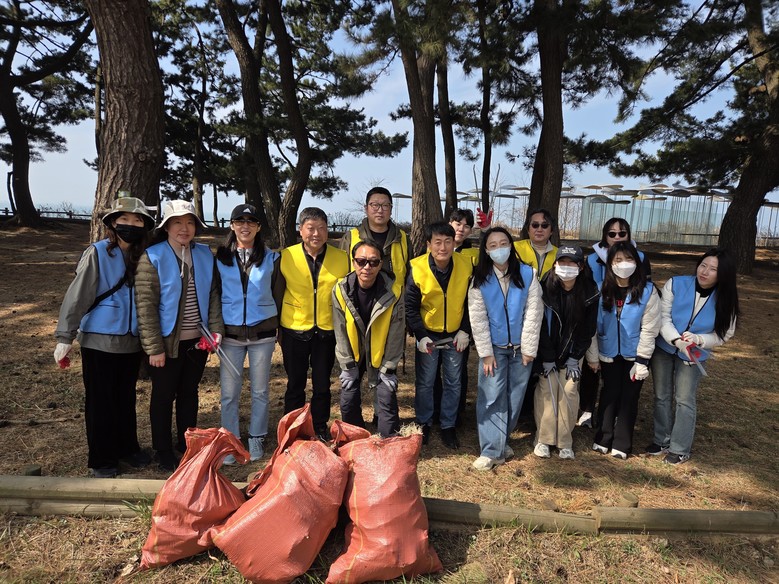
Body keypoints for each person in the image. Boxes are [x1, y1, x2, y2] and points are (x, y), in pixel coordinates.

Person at [54, 194, 155, 478]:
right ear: (112, 222)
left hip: (130, 341)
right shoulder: (98, 253)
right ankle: (102, 458)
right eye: (124, 219)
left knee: (125, 398)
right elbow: (78, 296)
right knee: (101, 401)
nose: (130, 225)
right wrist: (65, 335)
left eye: (137, 220)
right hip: (99, 339)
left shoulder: (143, 256)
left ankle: (127, 447)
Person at [135, 200, 223, 471]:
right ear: (167, 227)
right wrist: (153, 347)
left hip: (197, 340)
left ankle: (187, 444)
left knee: (189, 392)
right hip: (166, 342)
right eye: (177, 222)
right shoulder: (153, 256)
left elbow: (213, 295)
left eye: (189, 222)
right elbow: (146, 306)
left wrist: (215, 329)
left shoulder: (206, 254)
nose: (184, 228)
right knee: (163, 395)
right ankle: (163, 450)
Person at [648, 248, 739, 465]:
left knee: (684, 399)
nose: (705, 272)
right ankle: (661, 439)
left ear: (723, 274)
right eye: (703, 265)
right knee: (661, 395)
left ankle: (679, 448)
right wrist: (677, 340)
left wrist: (699, 340)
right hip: (665, 346)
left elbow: (724, 333)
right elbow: (663, 316)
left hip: (693, 354)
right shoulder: (676, 283)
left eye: (713, 269)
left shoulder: (726, 298)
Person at [468, 227, 542, 470]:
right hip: (495, 349)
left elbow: (534, 312)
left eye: (503, 243)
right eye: (492, 245)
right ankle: (490, 450)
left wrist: (529, 348)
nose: (499, 249)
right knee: (491, 397)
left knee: (514, 396)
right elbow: (478, 319)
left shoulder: (528, 274)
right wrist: (486, 353)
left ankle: (501, 441)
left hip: (521, 349)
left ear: (511, 245)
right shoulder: (480, 279)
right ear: (486, 251)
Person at [215, 204, 283, 465]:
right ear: (232, 225)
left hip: (262, 334)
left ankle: (256, 436)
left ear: (258, 227)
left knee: (260, 390)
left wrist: (277, 326)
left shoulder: (271, 258)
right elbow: (215, 293)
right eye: (240, 221)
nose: (245, 226)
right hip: (230, 335)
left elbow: (278, 293)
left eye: (251, 222)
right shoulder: (220, 257)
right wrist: (215, 328)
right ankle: (230, 440)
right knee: (229, 393)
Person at [279, 207, 350, 437]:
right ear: (301, 230)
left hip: (327, 331)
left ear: (327, 231)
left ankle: (320, 426)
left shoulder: (342, 258)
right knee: (295, 383)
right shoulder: (286, 256)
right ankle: (293, 427)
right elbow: (277, 291)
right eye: (311, 228)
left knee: (322, 384)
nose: (316, 234)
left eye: (322, 228)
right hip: (294, 328)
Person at [577, 217, 652, 428]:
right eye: (612, 234)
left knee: (619, 377)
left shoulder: (640, 257)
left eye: (622, 233)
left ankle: (616, 414)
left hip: (627, 321)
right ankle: (588, 409)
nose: (617, 237)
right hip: (601, 316)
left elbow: (646, 285)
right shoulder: (592, 259)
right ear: (604, 236)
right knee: (592, 367)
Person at [588, 242, 660, 460]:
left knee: (630, 397)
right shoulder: (600, 289)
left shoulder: (647, 291)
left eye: (629, 260)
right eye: (618, 260)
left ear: (637, 264)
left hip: (634, 354)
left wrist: (642, 360)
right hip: (608, 352)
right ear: (610, 264)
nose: (623, 265)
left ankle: (622, 442)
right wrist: (593, 356)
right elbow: (592, 326)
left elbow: (650, 328)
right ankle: (603, 437)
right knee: (609, 393)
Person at [406, 222, 473, 448]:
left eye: (448, 241)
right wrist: (420, 334)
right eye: (437, 242)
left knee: (454, 381)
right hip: (429, 335)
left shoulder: (467, 265)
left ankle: (448, 425)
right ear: (428, 244)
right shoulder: (417, 268)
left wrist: (466, 329)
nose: (443, 247)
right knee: (425, 381)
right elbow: (410, 307)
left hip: (456, 334)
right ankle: (424, 423)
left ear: (454, 243)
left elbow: (472, 302)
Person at [332, 241, 405, 438]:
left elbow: (397, 332)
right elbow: (339, 330)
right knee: (348, 399)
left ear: (381, 264)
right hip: (354, 353)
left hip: (380, 353)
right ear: (353, 262)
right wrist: (347, 365)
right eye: (361, 261)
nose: (367, 267)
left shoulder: (395, 291)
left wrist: (389, 367)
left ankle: (389, 443)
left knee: (386, 399)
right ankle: (354, 441)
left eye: (373, 262)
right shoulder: (341, 289)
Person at [533, 246, 599, 461]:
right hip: (548, 354)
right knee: (548, 391)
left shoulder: (590, 291)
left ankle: (564, 441)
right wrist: (547, 357)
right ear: (555, 264)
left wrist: (575, 357)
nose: (567, 267)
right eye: (563, 262)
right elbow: (540, 326)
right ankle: (543, 439)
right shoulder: (544, 288)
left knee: (569, 392)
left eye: (572, 263)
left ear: (580, 267)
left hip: (573, 355)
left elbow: (588, 329)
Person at [339, 186, 409, 299]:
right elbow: (341, 275)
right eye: (375, 205)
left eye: (385, 206)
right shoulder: (351, 237)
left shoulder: (402, 238)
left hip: (395, 304)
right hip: (359, 303)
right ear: (366, 208)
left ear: (391, 209)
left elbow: (410, 276)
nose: (380, 210)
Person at [514, 209, 558, 280]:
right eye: (535, 225)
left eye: (544, 225)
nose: (539, 229)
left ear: (551, 231)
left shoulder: (559, 254)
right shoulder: (514, 248)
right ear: (528, 229)